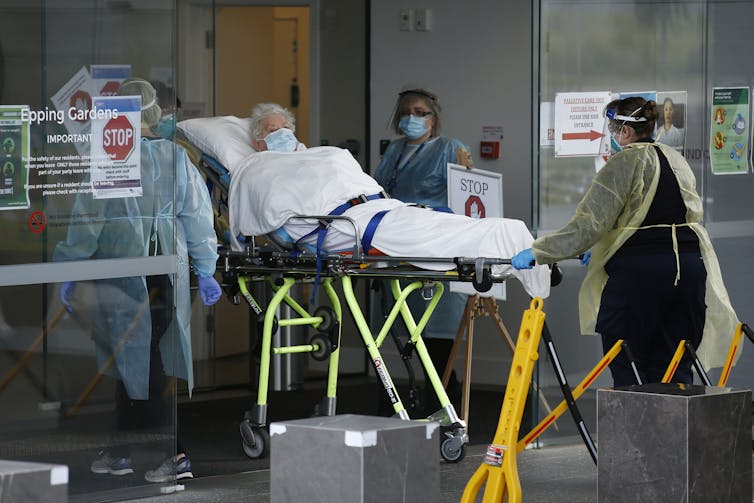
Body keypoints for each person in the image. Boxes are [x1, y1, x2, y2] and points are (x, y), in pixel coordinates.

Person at [54, 78, 222, 483]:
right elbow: (198, 220)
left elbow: (87, 222)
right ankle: (121, 449)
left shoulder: (111, 157)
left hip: (125, 275)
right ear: (152, 113)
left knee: (141, 365)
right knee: (138, 362)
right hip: (164, 273)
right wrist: (205, 267)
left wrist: (69, 268)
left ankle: (174, 451)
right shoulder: (175, 159)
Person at [511, 96, 739, 387]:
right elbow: (656, 212)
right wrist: (604, 247)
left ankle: (636, 432)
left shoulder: (625, 162)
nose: (611, 137)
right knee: (674, 367)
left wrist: (539, 251)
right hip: (690, 271)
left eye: (612, 129)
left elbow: (589, 224)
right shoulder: (675, 159)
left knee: (629, 364)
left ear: (626, 132)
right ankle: (674, 432)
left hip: (641, 277)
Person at [372, 88, 474, 414]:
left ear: (434, 118)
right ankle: (434, 388)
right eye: (406, 112)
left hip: (436, 246)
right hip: (399, 245)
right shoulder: (395, 151)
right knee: (405, 326)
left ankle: (441, 396)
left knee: (439, 325)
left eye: (420, 112)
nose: (412, 118)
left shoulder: (450, 149)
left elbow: (468, 193)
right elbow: (379, 189)